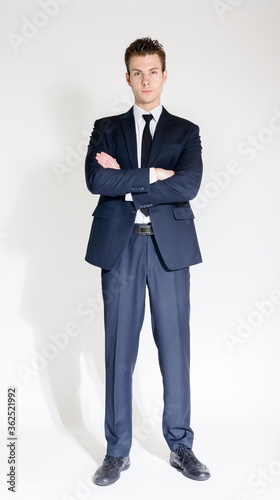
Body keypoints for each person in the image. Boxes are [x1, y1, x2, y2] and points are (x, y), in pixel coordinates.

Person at [85, 37, 210, 486]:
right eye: (137, 72)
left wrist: (128, 181)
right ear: (127, 77)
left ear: (164, 74)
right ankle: (116, 452)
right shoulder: (106, 128)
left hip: (169, 250)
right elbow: (96, 178)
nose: (145, 80)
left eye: (153, 71)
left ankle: (181, 445)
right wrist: (156, 175)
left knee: (175, 351)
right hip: (120, 249)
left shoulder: (185, 131)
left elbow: (189, 185)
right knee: (119, 351)